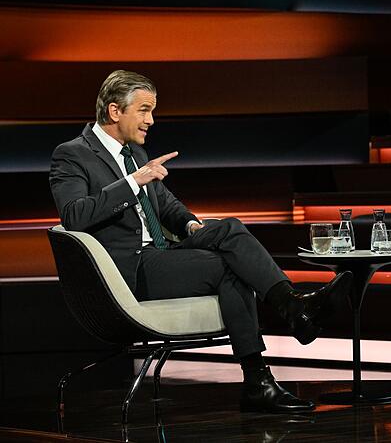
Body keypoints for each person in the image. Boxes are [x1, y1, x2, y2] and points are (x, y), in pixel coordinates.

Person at [49, 70, 353, 414]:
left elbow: (166, 206)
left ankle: (292, 307)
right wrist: (133, 182)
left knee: (229, 228)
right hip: (127, 270)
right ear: (115, 111)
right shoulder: (73, 154)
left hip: (162, 254)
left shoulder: (134, 154)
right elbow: (74, 216)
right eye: (144, 110)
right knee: (229, 268)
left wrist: (190, 224)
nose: (151, 120)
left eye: (152, 111)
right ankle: (265, 366)